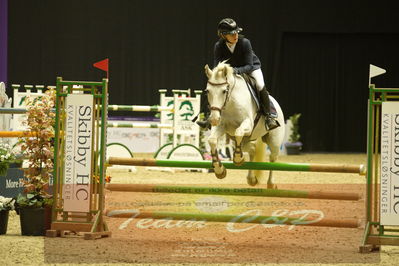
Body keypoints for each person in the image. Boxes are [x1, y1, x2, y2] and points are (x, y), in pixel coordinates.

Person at [197, 18, 279, 131]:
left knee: (260, 84)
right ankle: (208, 117)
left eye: (236, 32)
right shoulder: (218, 46)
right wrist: (215, 76)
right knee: (214, 87)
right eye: (231, 34)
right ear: (223, 35)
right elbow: (217, 66)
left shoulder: (245, 43)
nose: (235, 35)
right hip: (230, 72)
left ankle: (269, 116)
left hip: (251, 68)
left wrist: (235, 71)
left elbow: (249, 65)